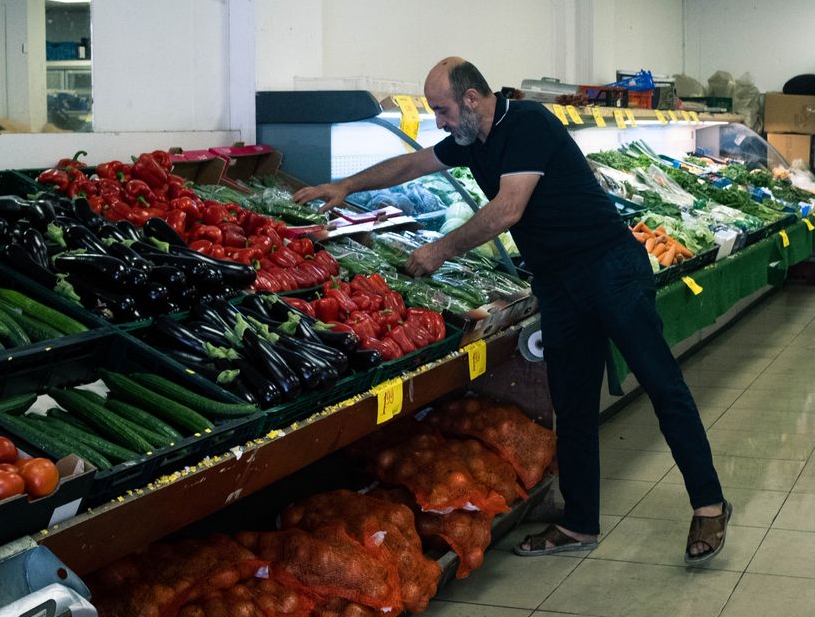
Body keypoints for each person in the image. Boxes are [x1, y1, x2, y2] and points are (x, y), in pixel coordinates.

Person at [293, 57, 731, 564]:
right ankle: (579, 523)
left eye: (443, 109)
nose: (440, 120)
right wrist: (345, 186)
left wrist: (441, 250)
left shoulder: (527, 123)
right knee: (572, 402)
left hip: (610, 269)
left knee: (662, 385)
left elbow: (508, 209)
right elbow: (413, 164)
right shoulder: (469, 139)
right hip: (559, 283)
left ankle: (709, 504)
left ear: (473, 100)